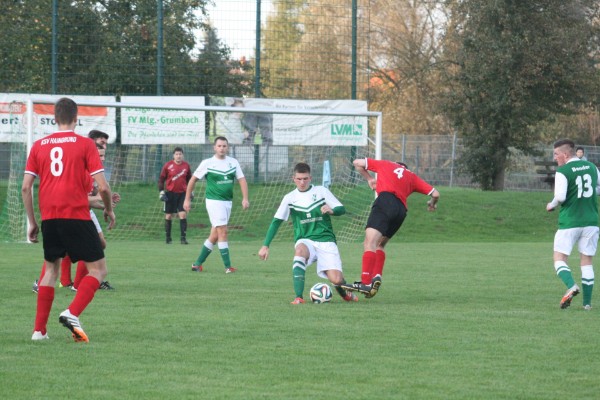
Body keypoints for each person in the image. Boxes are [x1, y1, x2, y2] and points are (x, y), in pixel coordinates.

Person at [22, 97, 116, 342]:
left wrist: (32, 222)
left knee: (50, 271)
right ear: (76, 118)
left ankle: (39, 331)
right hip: (76, 216)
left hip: (50, 218)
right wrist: (109, 209)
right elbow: (103, 187)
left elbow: (26, 188)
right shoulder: (85, 145)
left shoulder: (39, 146)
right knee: (99, 270)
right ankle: (72, 313)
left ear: (55, 118)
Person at [258, 162, 358, 304]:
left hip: (326, 240)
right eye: (299, 179)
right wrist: (265, 245)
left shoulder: (321, 191)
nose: (302, 182)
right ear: (293, 179)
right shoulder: (289, 198)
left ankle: (345, 294)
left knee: (336, 279)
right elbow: (276, 222)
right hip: (305, 240)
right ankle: (299, 297)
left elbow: (341, 209)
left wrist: (332, 210)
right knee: (299, 251)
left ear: (310, 178)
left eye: (305, 178)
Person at [32, 131, 117, 293]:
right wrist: (103, 201)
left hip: (83, 211)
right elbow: (80, 198)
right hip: (73, 212)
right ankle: (73, 284)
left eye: (104, 151)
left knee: (95, 245)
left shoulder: (92, 170)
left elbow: (91, 196)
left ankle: (73, 283)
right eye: (101, 148)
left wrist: (106, 204)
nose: (102, 157)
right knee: (65, 249)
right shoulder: (80, 164)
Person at [342, 158, 439, 298]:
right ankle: (376, 276)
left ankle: (365, 282)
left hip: (385, 201)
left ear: (396, 164)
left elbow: (357, 162)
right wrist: (432, 203)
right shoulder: (412, 177)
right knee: (380, 245)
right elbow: (435, 194)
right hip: (401, 210)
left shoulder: (386, 164)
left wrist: (369, 178)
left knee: (369, 243)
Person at [546, 139, 599, 310]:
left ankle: (571, 286)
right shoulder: (591, 167)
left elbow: (561, 197)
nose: (555, 158)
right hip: (591, 221)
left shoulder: (563, 171)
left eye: (556, 154)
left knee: (559, 258)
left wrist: (551, 205)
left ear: (565, 154)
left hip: (570, 222)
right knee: (587, 261)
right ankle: (587, 304)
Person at [184, 136, 249, 273]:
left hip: (227, 202)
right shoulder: (207, 163)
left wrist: (245, 198)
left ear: (227, 147)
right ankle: (228, 267)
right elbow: (192, 180)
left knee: (214, 235)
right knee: (223, 231)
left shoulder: (233, 162)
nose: (222, 148)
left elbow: (242, 180)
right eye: (219, 146)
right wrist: (187, 199)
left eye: (224, 146)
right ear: (214, 148)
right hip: (214, 202)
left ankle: (197, 264)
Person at [158, 147, 192, 244]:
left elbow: (190, 180)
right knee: (169, 216)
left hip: (183, 194)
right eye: (176, 154)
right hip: (170, 193)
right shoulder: (168, 165)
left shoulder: (186, 166)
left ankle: (183, 238)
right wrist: (161, 191)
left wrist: (191, 191)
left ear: (182, 155)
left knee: (183, 214)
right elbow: (161, 179)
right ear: (173, 155)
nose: (178, 156)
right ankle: (168, 238)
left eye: (180, 154)